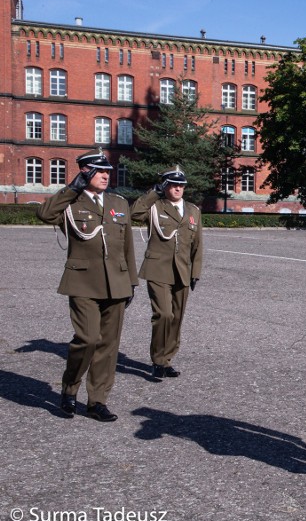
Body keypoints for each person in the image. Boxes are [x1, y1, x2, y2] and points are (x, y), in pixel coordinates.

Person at [36, 148, 138, 422]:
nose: (106, 176)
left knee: (108, 344)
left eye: (107, 171)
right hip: (82, 281)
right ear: (85, 171)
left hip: (116, 283)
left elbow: (127, 245)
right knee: (88, 339)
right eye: (100, 171)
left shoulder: (119, 203)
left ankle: (97, 401)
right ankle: (69, 389)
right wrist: (71, 189)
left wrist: (131, 282)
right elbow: (44, 214)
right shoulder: (71, 203)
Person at [130, 166, 203, 379]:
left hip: (182, 270)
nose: (178, 188)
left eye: (181, 185)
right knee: (164, 314)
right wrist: (154, 192)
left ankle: (167, 359)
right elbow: (135, 213)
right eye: (173, 185)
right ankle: (158, 359)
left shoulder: (193, 211)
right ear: (166, 186)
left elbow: (198, 244)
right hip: (158, 268)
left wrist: (195, 271)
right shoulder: (155, 206)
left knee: (177, 317)